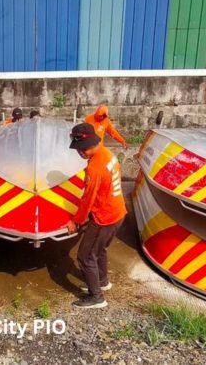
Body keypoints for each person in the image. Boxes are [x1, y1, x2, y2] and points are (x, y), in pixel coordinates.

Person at [66, 123, 127, 309]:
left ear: (85, 147)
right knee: (100, 250)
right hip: (118, 212)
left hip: (104, 218)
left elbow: (87, 200)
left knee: (85, 256)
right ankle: (102, 281)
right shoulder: (107, 154)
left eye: (79, 150)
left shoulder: (95, 168)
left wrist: (75, 221)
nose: (79, 154)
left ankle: (97, 297)